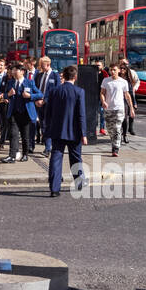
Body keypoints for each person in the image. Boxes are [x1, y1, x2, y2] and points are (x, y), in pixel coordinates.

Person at [44, 65, 88, 196]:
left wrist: (47, 129)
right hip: (74, 132)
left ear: (63, 75)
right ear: (75, 77)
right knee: (76, 158)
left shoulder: (54, 91)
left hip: (57, 130)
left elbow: (48, 112)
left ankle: (54, 188)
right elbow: (81, 114)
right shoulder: (79, 91)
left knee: (56, 158)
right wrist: (84, 133)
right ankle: (79, 183)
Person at [3, 61, 42, 163]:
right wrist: (9, 94)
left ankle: (25, 154)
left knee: (25, 135)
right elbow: (4, 95)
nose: (13, 72)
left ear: (22, 72)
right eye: (12, 70)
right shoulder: (10, 82)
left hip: (25, 113)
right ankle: (12, 156)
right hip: (14, 112)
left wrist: (30, 96)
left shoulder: (30, 82)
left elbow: (40, 94)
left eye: (16, 70)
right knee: (13, 134)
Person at [101, 65, 134, 157]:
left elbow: (127, 95)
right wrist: (103, 101)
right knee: (110, 129)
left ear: (118, 70)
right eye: (111, 70)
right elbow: (102, 93)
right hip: (108, 108)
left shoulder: (123, 82)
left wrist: (131, 108)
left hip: (119, 108)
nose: (113, 71)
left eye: (114, 70)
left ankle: (115, 148)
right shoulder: (106, 81)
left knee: (117, 128)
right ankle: (114, 143)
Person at [120, 60, 139, 140]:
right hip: (118, 99)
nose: (122, 70)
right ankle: (121, 133)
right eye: (121, 68)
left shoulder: (130, 76)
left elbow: (131, 92)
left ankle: (126, 132)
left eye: (124, 68)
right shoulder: (116, 76)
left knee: (128, 116)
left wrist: (134, 103)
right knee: (122, 118)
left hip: (126, 99)